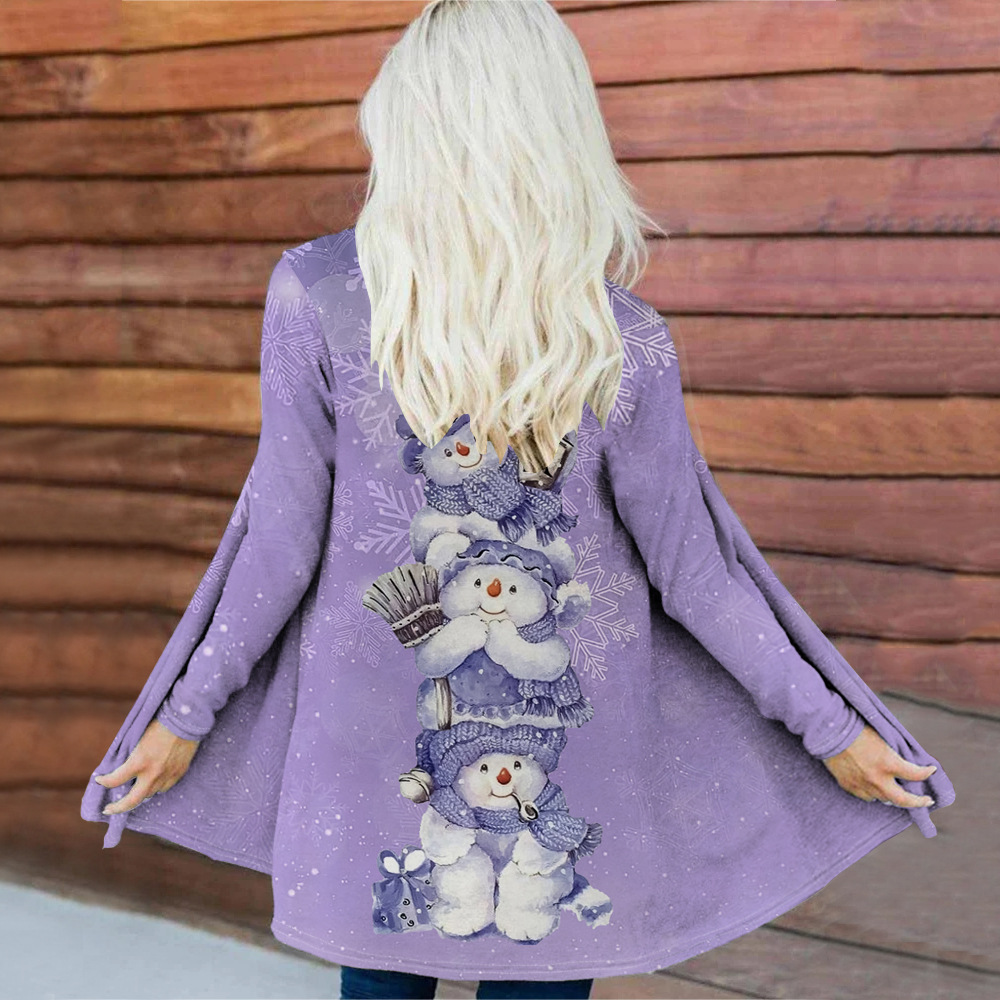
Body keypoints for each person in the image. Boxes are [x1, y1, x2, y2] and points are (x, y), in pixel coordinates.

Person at [85, 3, 952, 999]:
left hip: (477, 751)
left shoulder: (338, 298)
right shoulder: (594, 334)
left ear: (410, 117)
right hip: (440, 751)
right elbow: (698, 577)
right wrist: (182, 713)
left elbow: (280, 542)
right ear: (557, 124)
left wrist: (832, 729)